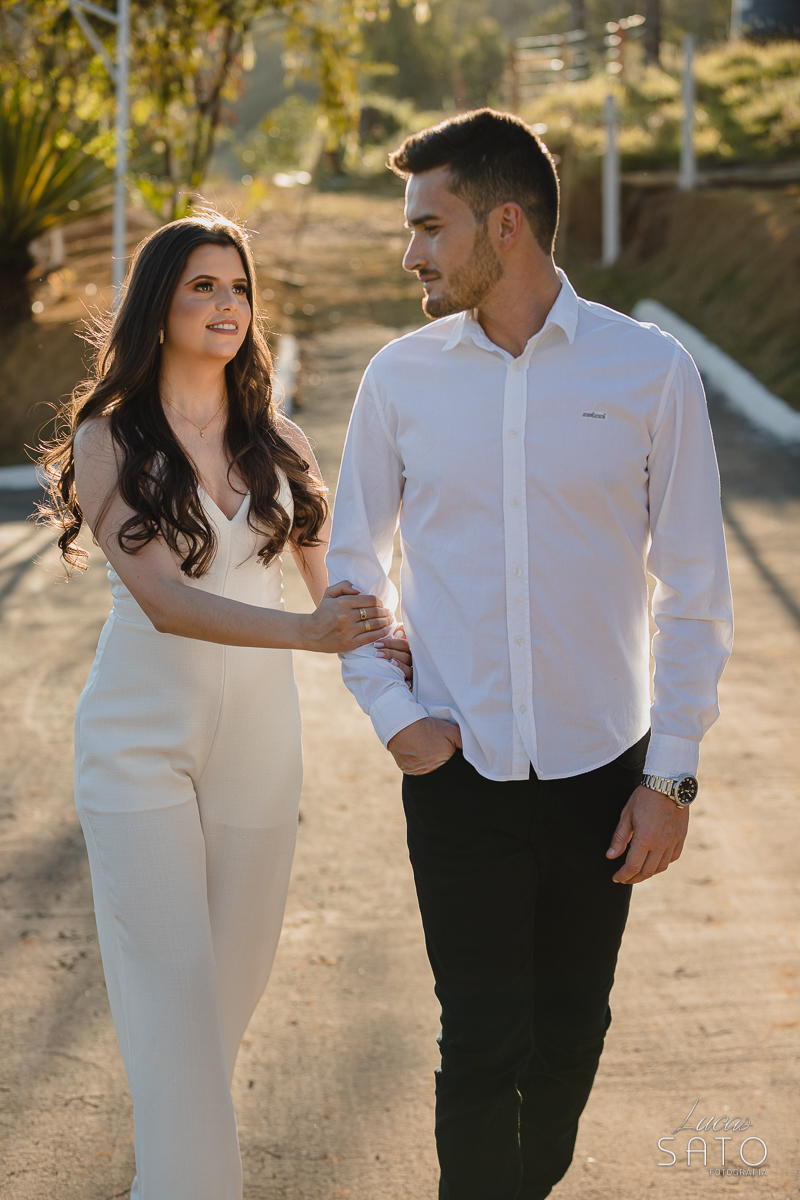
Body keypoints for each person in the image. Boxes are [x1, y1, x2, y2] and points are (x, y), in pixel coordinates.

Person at [326, 110, 734, 1200]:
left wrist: (670, 778)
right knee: (478, 1045)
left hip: (604, 775)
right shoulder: (399, 380)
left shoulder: (650, 371)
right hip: (456, 770)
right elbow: (351, 572)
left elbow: (694, 590)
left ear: (504, 224)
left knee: (567, 1039)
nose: (409, 253)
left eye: (428, 227)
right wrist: (393, 716)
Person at [40, 210, 410, 1200]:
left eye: (239, 287)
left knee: (216, 1015)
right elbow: (163, 601)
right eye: (202, 285)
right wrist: (305, 635)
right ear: (157, 306)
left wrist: (407, 650)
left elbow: (343, 590)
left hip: (260, 747)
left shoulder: (278, 441)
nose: (226, 304)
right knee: (174, 1005)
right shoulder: (108, 437)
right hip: (136, 745)